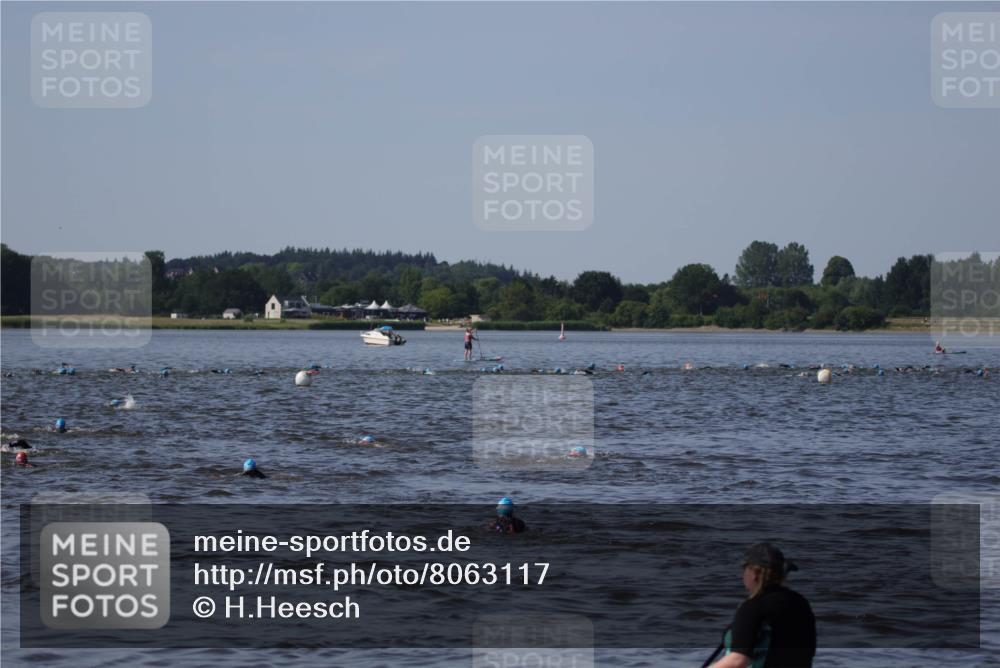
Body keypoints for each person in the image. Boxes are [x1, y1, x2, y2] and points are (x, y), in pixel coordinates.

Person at [709, 543, 816, 668]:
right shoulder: (800, 602)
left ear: (754, 573)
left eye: (744, 568)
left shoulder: (754, 607)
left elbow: (738, 660)